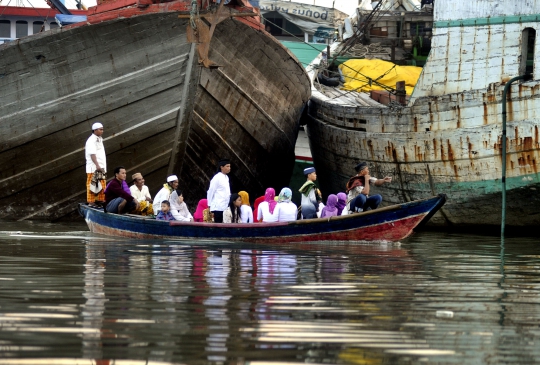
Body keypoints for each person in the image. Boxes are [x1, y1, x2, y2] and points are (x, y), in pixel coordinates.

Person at [85, 122, 107, 207]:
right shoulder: (91, 140)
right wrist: (97, 165)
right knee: (92, 184)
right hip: (94, 167)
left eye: (102, 129)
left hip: (101, 166)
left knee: (102, 183)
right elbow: (92, 154)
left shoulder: (99, 139)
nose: (102, 131)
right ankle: (91, 201)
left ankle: (100, 200)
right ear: (95, 130)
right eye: (100, 129)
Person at [207, 159, 231, 223]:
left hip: (225, 207)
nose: (229, 168)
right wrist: (209, 205)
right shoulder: (216, 178)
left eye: (229, 166)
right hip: (218, 207)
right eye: (227, 166)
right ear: (221, 167)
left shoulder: (227, 178)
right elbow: (210, 191)